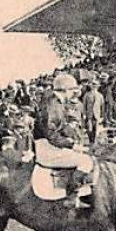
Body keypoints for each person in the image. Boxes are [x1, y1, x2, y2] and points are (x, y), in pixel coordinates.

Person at [33, 73, 95, 207]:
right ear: (65, 90)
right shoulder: (53, 104)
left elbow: (61, 126)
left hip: (49, 145)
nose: (74, 95)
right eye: (73, 91)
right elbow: (52, 136)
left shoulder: (55, 102)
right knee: (86, 161)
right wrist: (73, 145)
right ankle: (71, 196)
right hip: (47, 149)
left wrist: (74, 137)